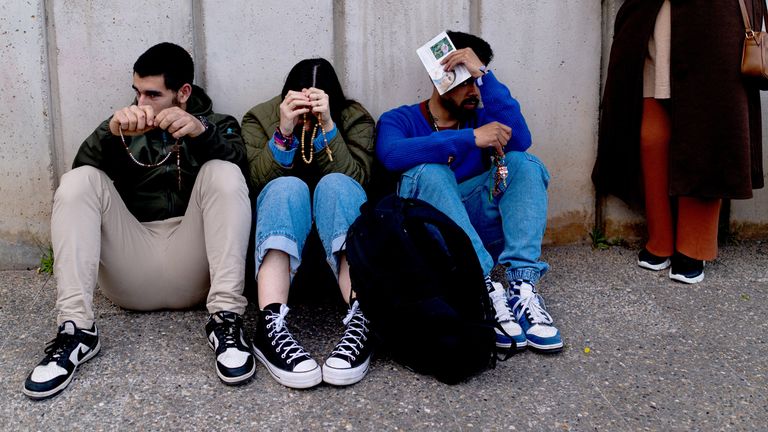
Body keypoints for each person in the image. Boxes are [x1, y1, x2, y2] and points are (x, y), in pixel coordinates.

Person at [23, 42, 254, 400]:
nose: (141, 104)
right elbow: (78, 192)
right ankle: (76, 330)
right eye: (137, 92)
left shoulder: (219, 124)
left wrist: (201, 131)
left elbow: (242, 172)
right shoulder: (122, 126)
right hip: (130, 266)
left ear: (183, 93)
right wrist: (109, 133)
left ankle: (226, 320)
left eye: (152, 94)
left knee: (223, 172)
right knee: (79, 180)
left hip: (195, 267)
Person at [376, 31, 563, 353]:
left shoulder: (483, 114)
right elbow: (391, 155)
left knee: (523, 163)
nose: (473, 91)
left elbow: (519, 142)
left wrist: (485, 77)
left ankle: (521, 287)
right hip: (431, 237)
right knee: (431, 171)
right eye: (465, 81)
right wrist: (469, 139)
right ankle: (482, 287)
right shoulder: (400, 118)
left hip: (480, 228)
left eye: (476, 80)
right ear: (441, 75)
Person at [593, 0, 765, 284]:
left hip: (716, 14)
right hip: (656, 11)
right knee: (653, 105)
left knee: (709, 118)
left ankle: (694, 246)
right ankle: (661, 239)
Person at [242, 58, 376, 388]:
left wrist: (329, 127)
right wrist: (284, 132)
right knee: (286, 186)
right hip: (279, 258)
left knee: (337, 185)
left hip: (343, 260)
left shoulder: (354, 117)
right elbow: (254, 184)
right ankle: (269, 322)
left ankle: (363, 316)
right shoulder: (259, 117)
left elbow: (359, 180)